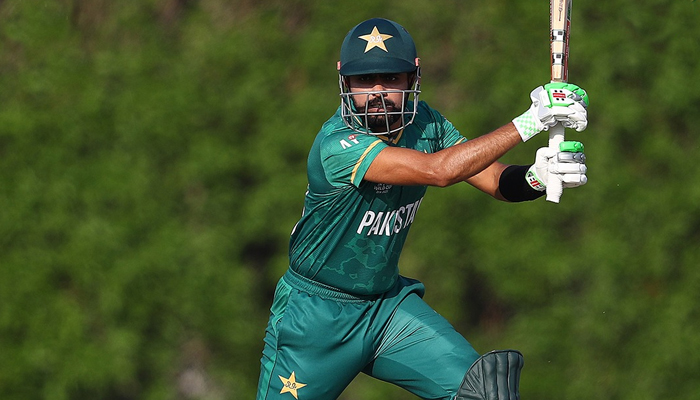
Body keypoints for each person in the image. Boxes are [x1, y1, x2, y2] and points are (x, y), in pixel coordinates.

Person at [256, 17, 588, 400]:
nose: (378, 92)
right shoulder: (337, 145)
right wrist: (529, 122)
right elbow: (440, 171)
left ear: (413, 79)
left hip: (386, 311)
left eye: (391, 79)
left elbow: (493, 181)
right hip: (314, 319)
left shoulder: (426, 123)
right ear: (344, 82)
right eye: (365, 81)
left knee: (485, 391)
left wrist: (536, 177)